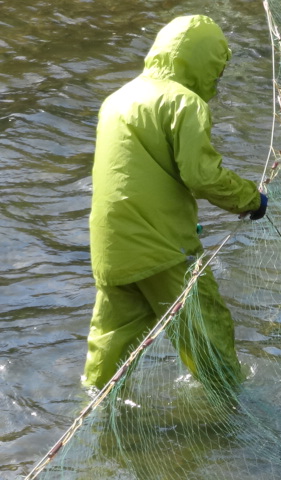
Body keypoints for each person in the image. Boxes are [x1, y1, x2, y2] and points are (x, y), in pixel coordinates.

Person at [82, 15, 267, 390]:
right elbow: (203, 176)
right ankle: (230, 410)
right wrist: (251, 199)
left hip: (110, 246)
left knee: (110, 344)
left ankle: (94, 414)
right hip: (162, 247)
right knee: (207, 330)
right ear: (204, 63)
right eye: (217, 67)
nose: (217, 77)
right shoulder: (184, 103)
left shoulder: (118, 98)